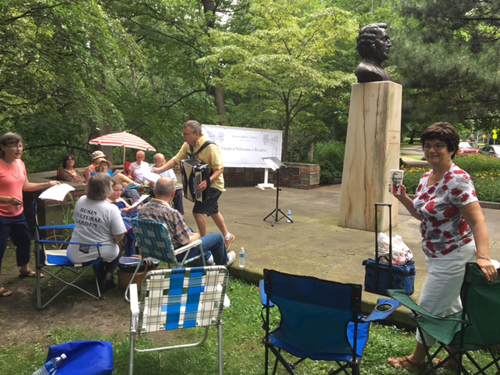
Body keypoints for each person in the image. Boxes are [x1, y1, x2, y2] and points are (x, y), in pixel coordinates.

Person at [387, 122, 498, 371]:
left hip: (455, 255)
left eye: (439, 146)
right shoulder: (428, 176)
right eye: (427, 146)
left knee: (428, 309)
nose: (431, 151)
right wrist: (403, 197)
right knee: (451, 309)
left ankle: (416, 360)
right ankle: (454, 359)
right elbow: (422, 214)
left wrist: (483, 256)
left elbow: (478, 220)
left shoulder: (458, 180)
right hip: (436, 255)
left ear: (452, 150)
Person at [151, 120, 236, 250]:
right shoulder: (188, 145)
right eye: (184, 134)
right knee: (213, 211)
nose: (184, 137)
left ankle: (204, 243)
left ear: (196, 133)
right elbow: (175, 160)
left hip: (214, 184)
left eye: (187, 134)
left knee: (197, 212)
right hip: (200, 185)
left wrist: (207, 182)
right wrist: (158, 170)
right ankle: (227, 235)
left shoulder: (210, 147)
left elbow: (220, 169)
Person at [0, 132, 60, 297]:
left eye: (20, 145)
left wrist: (47, 184)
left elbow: (25, 185)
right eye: (14, 145)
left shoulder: (20, 163)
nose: (19, 149)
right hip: (1, 215)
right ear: (3, 147)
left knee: (25, 240)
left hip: (17, 213)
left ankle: (25, 270)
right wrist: (6, 199)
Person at [139, 177, 235, 267]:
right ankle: (223, 264)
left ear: (154, 191)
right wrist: (197, 235)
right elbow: (187, 241)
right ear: (173, 193)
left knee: (188, 229)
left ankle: (210, 258)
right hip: (176, 254)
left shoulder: (143, 209)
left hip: (153, 251)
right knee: (217, 237)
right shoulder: (172, 213)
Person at [67, 173, 127, 291]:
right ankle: (108, 275)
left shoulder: (82, 200)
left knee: (103, 246)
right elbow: (120, 235)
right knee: (118, 248)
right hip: (98, 250)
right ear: (106, 190)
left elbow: (76, 220)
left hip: (75, 251)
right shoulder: (111, 208)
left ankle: (100, 274)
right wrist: (113, 239)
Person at [107, 180, 139, 256]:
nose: (119, 192)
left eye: (121, 190)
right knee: (132, 231)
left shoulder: (120, 199)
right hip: (119, 219)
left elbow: (130, 209)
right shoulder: (106, 201)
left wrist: (135, 205)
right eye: (116, 190)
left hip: (128, 217)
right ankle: (132, 254)